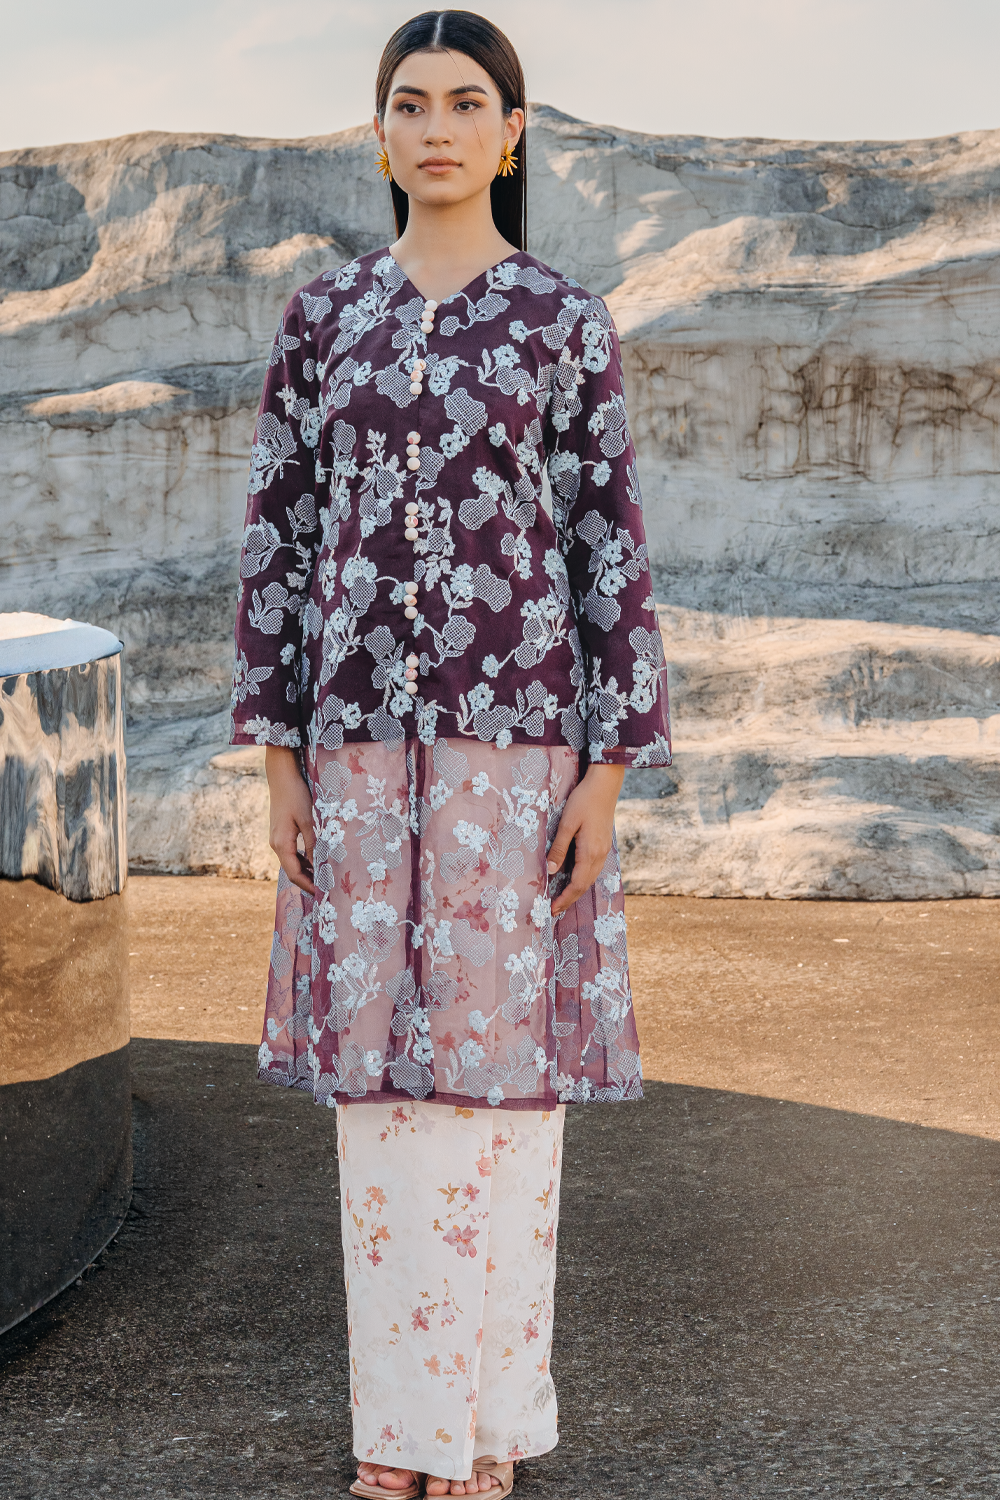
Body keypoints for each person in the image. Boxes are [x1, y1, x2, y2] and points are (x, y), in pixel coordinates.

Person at [230, 10, 670, 1496]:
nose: (436, 127)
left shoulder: (563, 321)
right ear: (378, 133)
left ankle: (484, 1432)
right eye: (409, 104)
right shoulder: (323, 319)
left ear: (511, 131)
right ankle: (399, 1437)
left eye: (465, 103)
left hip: (519, 755)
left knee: (503, 1082)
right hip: (354, 755)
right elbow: (281, 541)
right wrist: (279, 760)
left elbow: (609, 548)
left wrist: (607, 772)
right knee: (382, 1090)